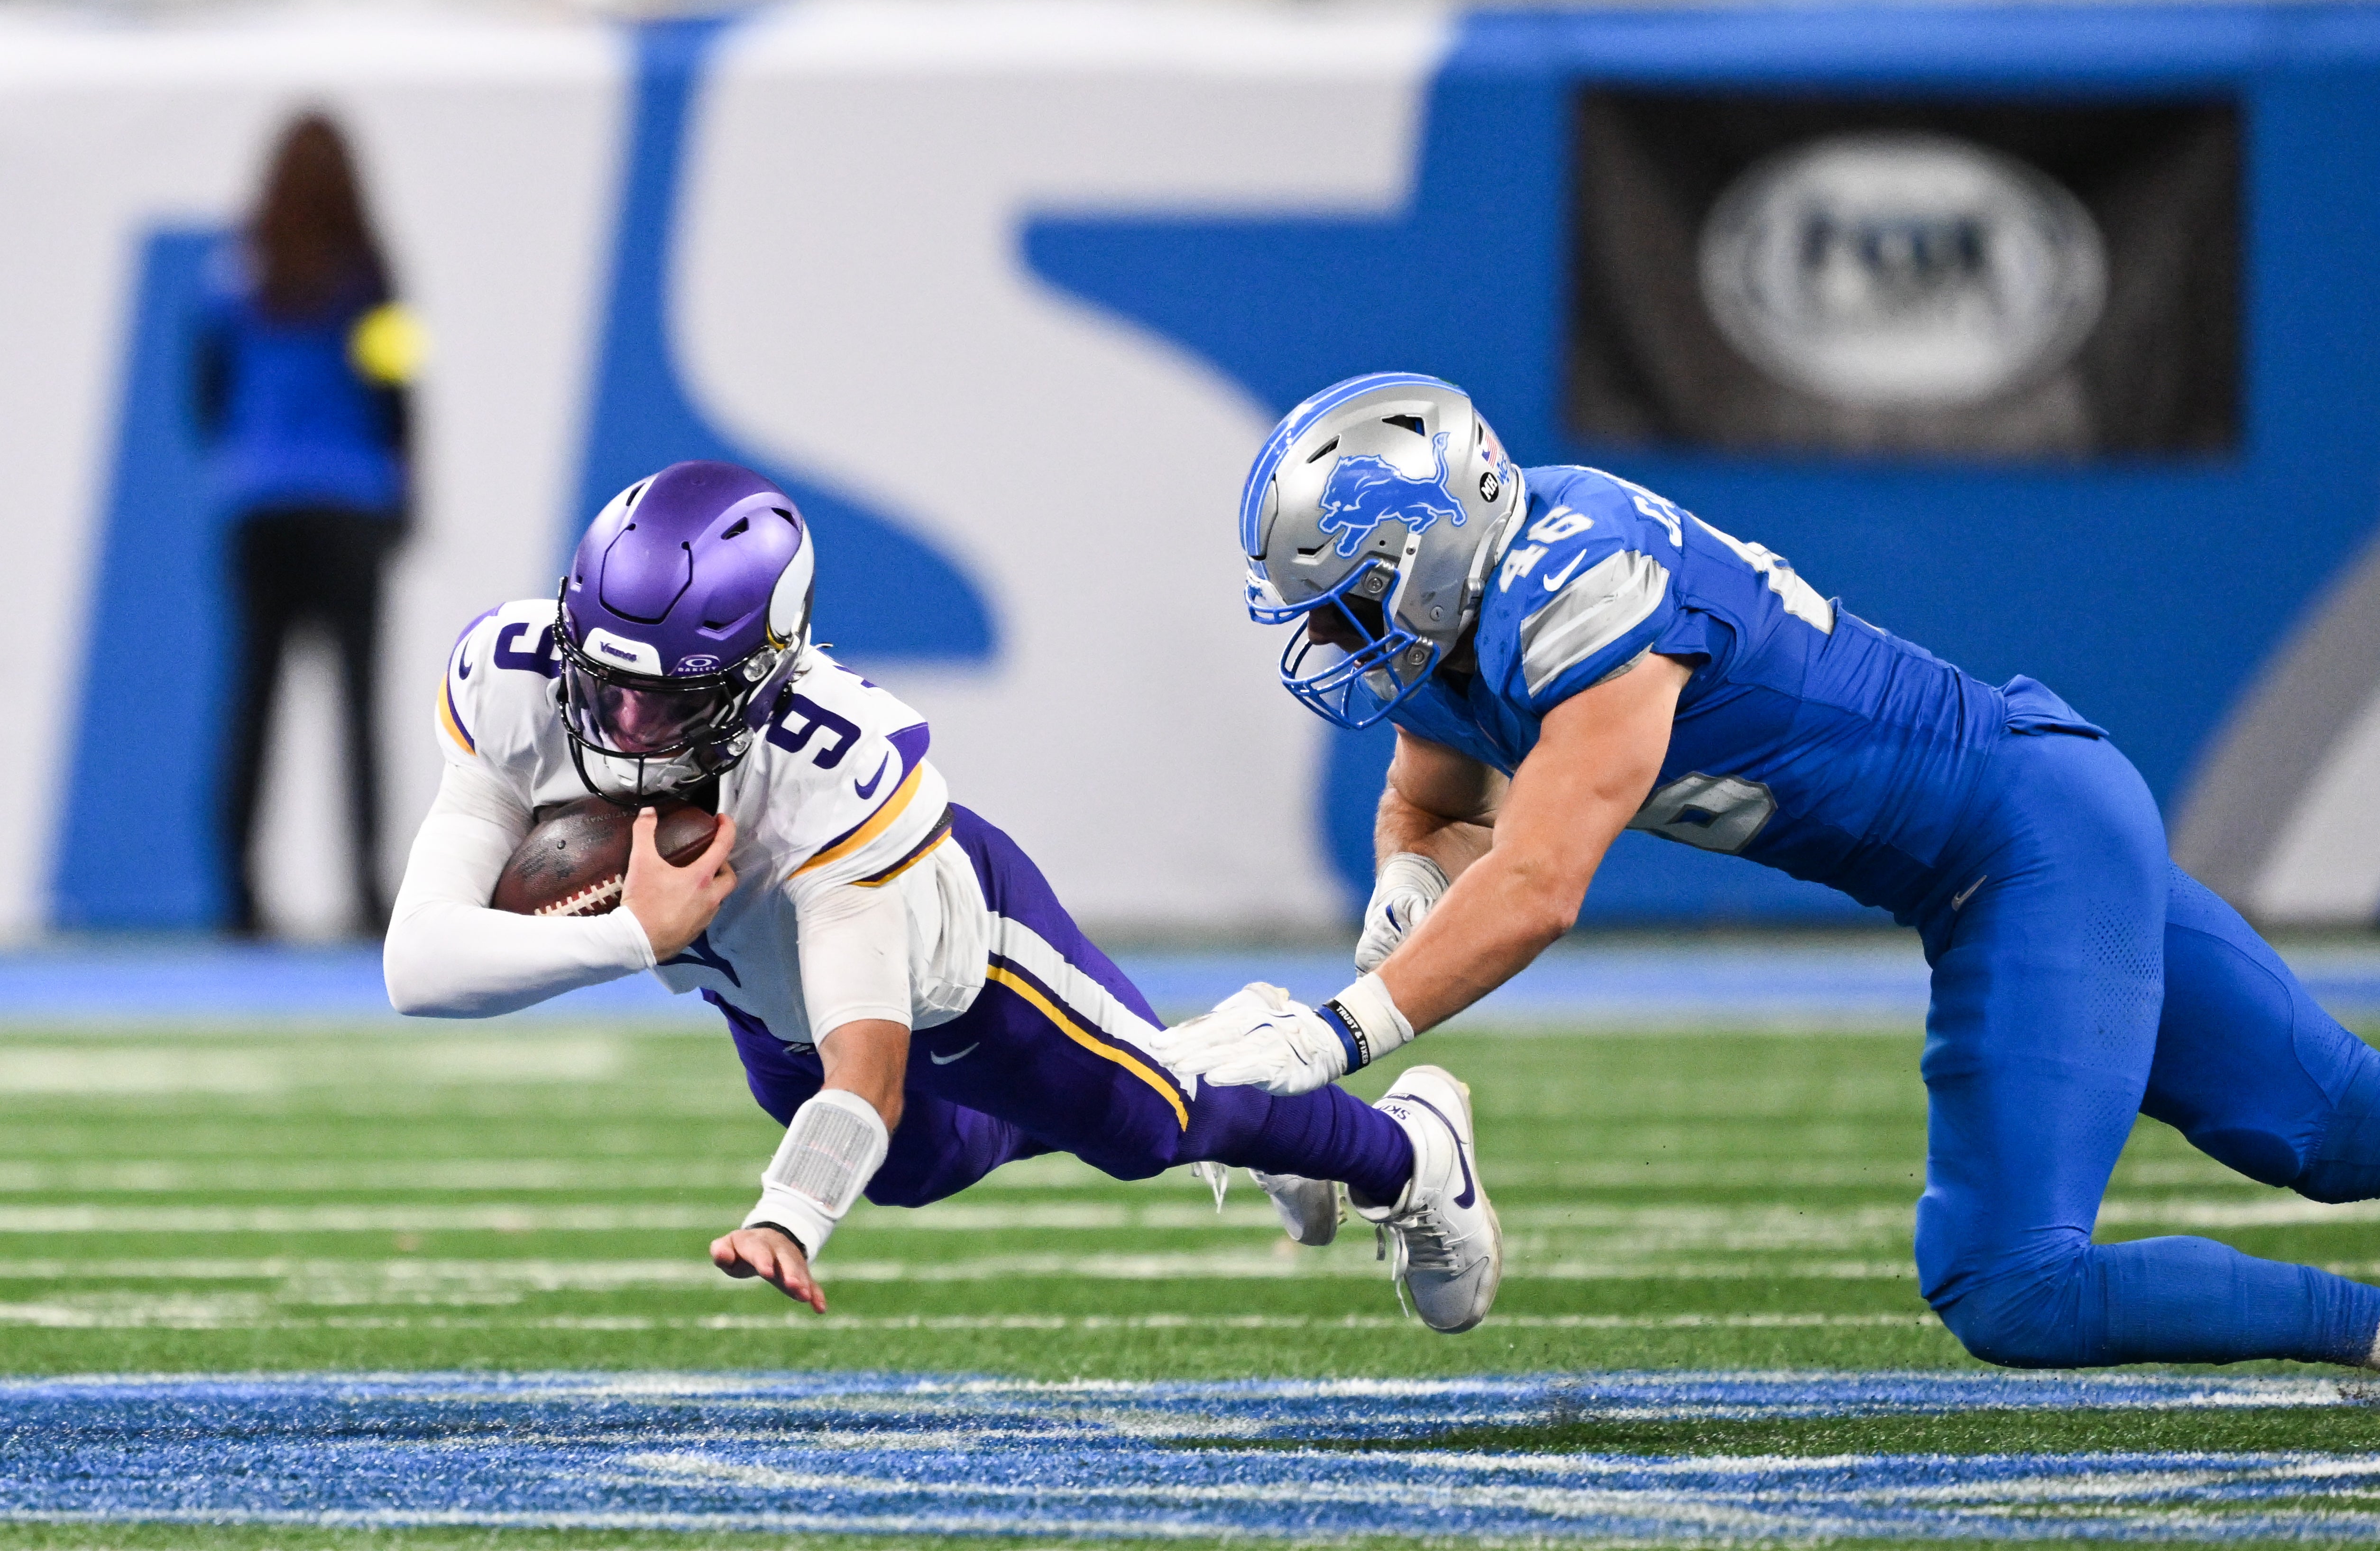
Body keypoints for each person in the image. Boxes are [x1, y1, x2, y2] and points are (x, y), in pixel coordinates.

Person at [1155, 370, 2380, 1371]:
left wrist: (1337, 1034)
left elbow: (1537, 887)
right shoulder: (1455, 628)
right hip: (2004, 849)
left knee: (2011, 1283)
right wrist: (1408, 893)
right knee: (2336, 1126)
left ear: (1431, 549)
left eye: (1346, 599)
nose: (1327, 634)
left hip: (2024, 844)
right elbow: (1436, 809)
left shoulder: (1582, 586)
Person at [381, 460, 1501, 1330]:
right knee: (914, 1170)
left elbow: (864, 1076)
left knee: (1146, 1125)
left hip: (964, 966)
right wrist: (635, 936)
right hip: (759, 997)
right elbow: (416, 963)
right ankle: (1214, 1047)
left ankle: (1408, 1152)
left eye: (666, 703)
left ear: (763, 676)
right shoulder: (513, 683)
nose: (625, 732)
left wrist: (786, 1217)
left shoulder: (829, 776)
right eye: (603, 683)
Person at [199, 111, 420, 936]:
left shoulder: (233, 275)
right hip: (351, 505)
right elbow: (397, 394)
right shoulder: (369, 277)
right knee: (358, 705)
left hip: (260, 506)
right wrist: (403, 494)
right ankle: (366, 888)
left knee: (252, 700)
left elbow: (208, 390)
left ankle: (238, 893)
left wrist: (254, 460)